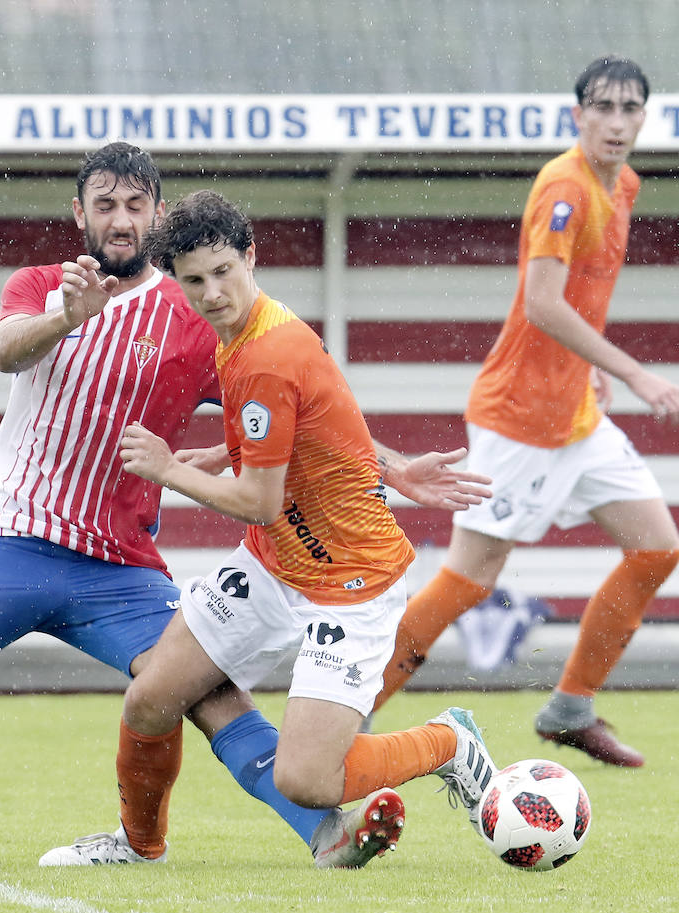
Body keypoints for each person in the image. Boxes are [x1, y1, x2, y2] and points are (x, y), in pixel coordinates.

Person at [0, 142, 490, 870]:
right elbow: (7, 350)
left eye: (136, 204)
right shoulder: (46, 286)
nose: (121, 219)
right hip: (9, 545)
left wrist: (392, 467)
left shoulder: (199, 313)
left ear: (157, 215)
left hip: (119, 566)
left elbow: (298, 411)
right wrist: (66, 319)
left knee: (200, 695)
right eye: (105, 204)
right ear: (80, 213)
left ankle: (321, 833)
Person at [40, 189, 499, 869]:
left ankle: (448, 743)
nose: (212, 293)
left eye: (224, 272)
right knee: (151, 700)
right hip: (274, 562)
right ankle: (139, 846)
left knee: (305, 778)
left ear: (252, 256)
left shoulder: (269, 353)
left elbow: (258, 499)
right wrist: (235, 452)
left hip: (350, 583)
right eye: (194, 280)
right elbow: (315, 422)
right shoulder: (245, 337)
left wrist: (168, 468)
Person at [369, 56, 679, 768]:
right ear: (578, 115)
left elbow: (578, 306)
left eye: (629, 107)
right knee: (466, 582)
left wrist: (590, 375)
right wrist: (632, 371)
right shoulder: (564, 188)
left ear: (643, 117)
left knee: (658, 546)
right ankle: (342, 719)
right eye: (601, 106)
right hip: (518, 420)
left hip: (575, 415)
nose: (615, 120)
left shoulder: (624, 184)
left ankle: (570, 708)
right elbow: (543, 304)